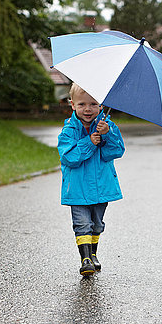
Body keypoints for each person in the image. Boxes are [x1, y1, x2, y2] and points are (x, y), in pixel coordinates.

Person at [57, 83, 125, 276]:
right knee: (82, 224)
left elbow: (116, 151)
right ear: (73, 105)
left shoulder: (108, 127)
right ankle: (85, 259)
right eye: (82, 104)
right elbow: (69, 157)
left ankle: (93, 254)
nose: (88, 109)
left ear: (101, 106)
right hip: (77, 188)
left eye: (93, 104)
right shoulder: (69, 131)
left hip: (102, 187)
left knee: (96, 224)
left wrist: (108, 135)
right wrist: (89, 142)